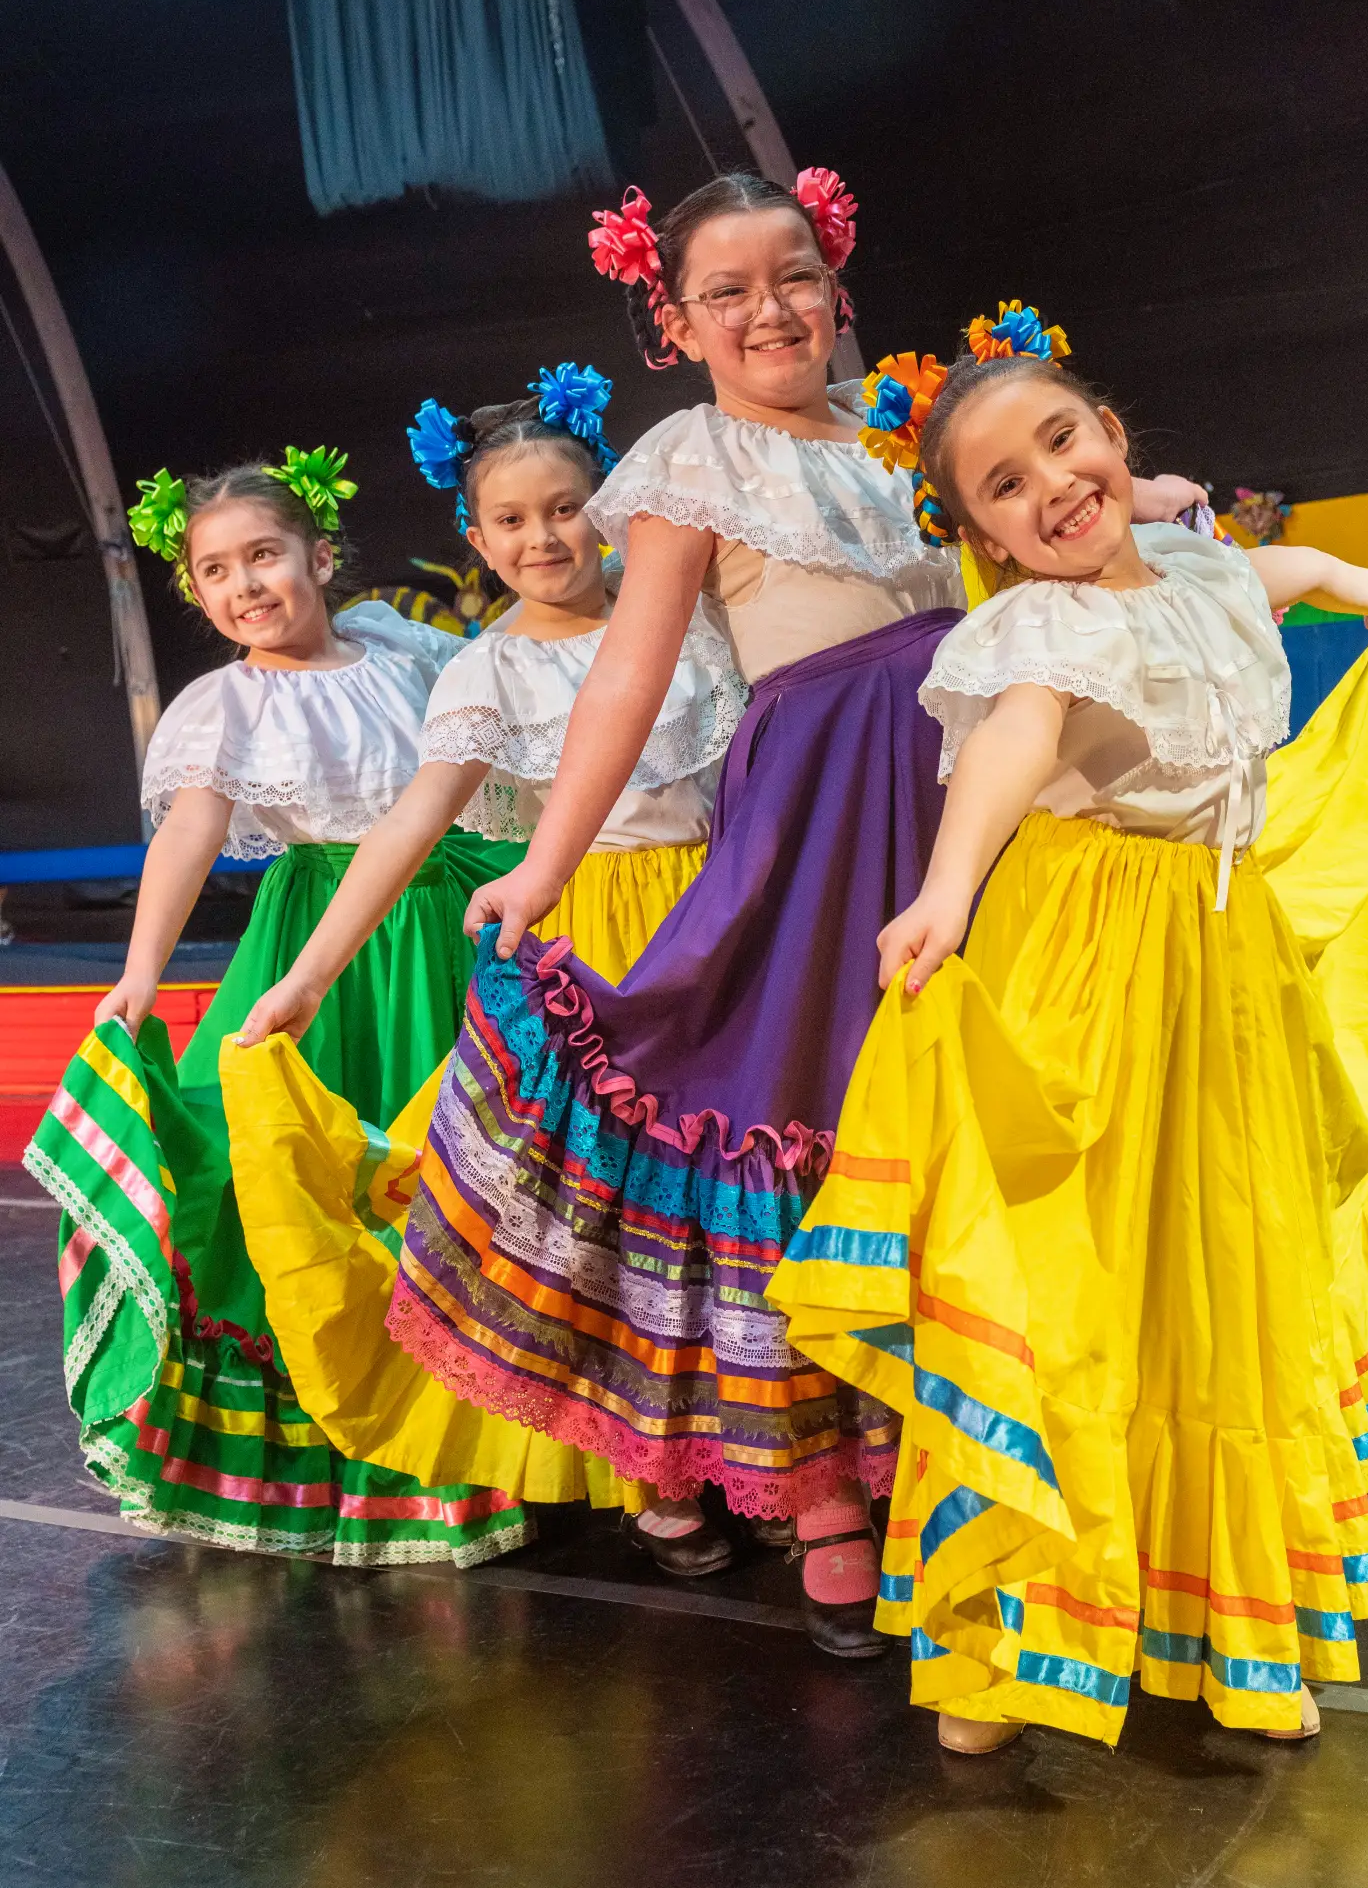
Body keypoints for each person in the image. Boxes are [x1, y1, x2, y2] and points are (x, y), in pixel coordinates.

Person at [283, 169, 1204, 1652]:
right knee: (805, 1116)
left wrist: (1153, 513)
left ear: (835, 280)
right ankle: (827, 1489)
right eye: (728, 290)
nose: (767, 309)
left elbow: (1031, 541)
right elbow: (629, 679)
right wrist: (542, 861)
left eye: (793, 276)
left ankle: (956, 1444)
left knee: (965, 1117)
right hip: (823, 815)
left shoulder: (905, 424)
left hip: (975, 783)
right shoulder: (681, 465)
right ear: (672, 319)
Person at [766, 307, 1368, 1745]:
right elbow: (1012, 740)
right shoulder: (1040, 627)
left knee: (1227, 1268)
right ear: (983, 536)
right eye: (1004, 484)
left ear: (1113, 435)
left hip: (1222, 958)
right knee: (1076, 1272)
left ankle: (1244, 1632)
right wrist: (944, 890)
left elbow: (1273, 573)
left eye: (1062, 440)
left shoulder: (1196, 566)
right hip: (1088, 957)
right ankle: (1008, 1635)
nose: (1049, 484)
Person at [227, 366, 746, 1564]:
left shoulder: (693, 610)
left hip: (724, 916)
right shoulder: (488, 672)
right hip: (594, 940)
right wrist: (305, 976)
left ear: (607, 503)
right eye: (509, 520)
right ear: (473, 537)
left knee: (740, 1196)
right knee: (617, 1211)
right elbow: (410, 825)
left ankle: (766, 1435)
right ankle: (649, 1468)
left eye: (563, 507)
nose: (541, 536)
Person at [25, 448, 530, 1563]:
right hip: (332, 950)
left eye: (264, 554)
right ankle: (373, 1444)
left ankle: (511, 1428)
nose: (246, 583)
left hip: (454, 928)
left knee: (476, 1179)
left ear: (321, 556)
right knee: (328, 1179)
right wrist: (142, 970)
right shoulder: (224, 705)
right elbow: (191, 833)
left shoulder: (409, 650)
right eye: (216, 570)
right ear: (197, 594)